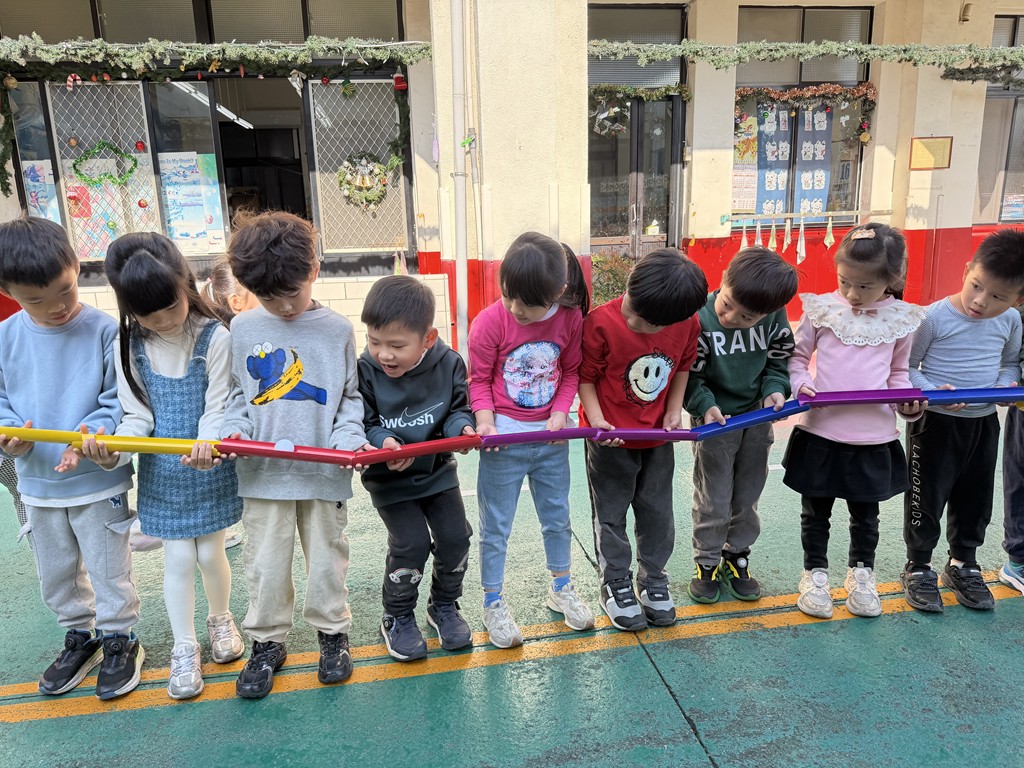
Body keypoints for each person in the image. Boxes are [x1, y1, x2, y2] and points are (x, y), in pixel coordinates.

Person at [78, 232, 244, 700]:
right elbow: (136, 417)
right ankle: (184, 646)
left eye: (172, 306)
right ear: (131, 311)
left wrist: (208, 443)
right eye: (150, 316)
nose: (166, 321)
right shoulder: (129, 344)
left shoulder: (215, 335)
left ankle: (220, 618)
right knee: (179, 558)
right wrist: (114, 449)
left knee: (210, 552)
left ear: (184, 284)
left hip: (209, 467)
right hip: (163, 476)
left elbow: (218, 405)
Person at [222, 211, 366, 698]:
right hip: (263, 475)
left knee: (327, 561)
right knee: (265, 564)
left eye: (293, 293)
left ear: (315, 270)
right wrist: (234, 431)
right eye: (269, 298)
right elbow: (237, 396)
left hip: (324, 475)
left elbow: (349, 399)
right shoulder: (242, 328)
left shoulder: (337, 330)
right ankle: (267, 642)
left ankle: (333, 634)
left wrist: (347, 439)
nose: (284, 307)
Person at [0, 216, 142, 700]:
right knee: (56, 570)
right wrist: (9, 434)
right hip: (37, 482)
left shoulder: (106, 331)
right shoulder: (5, 337)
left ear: (77, 266)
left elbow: (118, 398)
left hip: (98, 479)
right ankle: (79, 635)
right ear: (9, 293)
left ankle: (120, 637)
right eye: (35, 300)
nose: (56, 307)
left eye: (65, 290)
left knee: (108, 565)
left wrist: (93, 432)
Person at [785, 224, 926, 619]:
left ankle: (861, 574)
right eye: (844, 281)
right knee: (816, 512)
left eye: (864, 286)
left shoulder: (901, 319)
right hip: (822, 429)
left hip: (873, 436)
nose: (851, 293)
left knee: (866, 515)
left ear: (891, 280)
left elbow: (898, 374)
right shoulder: (822, 309)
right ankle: (814, 574)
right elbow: (797, 358)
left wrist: (907, 404)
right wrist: (802, 384)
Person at [469, 233, 595, 648]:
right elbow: (479, 381)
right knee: (496, 527)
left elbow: (571, 371)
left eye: (526, 303)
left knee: (557, 517)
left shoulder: (570, 318)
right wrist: (486, 422)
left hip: (551, 440)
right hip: (502, 442)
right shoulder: (489, 322)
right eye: (508, 296)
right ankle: (492, 601)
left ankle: (561, 586)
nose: (515, 309)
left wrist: (560, 412)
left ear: (557, 292)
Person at [579, 248, 707, 631]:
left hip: (656, 438)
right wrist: (597, 421)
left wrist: (674, 410)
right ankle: (615, 581)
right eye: (632, 309)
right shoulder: (600, 323)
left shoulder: (687, 324)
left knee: (658, 513)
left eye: (647, 323)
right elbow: (586, 378)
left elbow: (682, 367)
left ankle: (653, 578)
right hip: (610, 440)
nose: (633, 321)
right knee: (611, 515)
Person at [903, 228, 1024, 612]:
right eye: (976, 286)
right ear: (967, 269)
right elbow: (907, 368)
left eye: (998, 297)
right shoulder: (932, 317)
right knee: (926, 498)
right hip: (934, 425)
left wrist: (1002, 388)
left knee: (975, 498)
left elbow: (1009, 365)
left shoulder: (1011, 321)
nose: (981, 301)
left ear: (1018, 299)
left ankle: (963, 564)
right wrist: (933, 390)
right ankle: (918, 566)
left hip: (983, 423)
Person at [357, 275, 477, 661]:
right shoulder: (365, 370)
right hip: (389, 479)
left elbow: (458, 409)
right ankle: (396, 615)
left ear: (428, 338)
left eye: (396, 346)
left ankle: (443, 605)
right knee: (411, 543)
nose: (384, 354)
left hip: (437, 471)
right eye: (374, 341)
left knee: (456, 537)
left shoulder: (449, 363)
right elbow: (364, 421)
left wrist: (462, 430)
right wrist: (384, 443)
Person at [684, 246, 799, 604]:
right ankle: (707, 560)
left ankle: (737, 555)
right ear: (723, 281)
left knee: (748, 495)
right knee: (714, 497)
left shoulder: (773, 316)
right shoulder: (699, 318)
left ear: (767, 313)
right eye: (727, 304)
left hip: (757, 419)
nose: (731, 317)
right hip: (716, 424)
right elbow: (689, 377)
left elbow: (779, 362)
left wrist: (775, 390)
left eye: (747, 317)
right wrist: (705, 406)